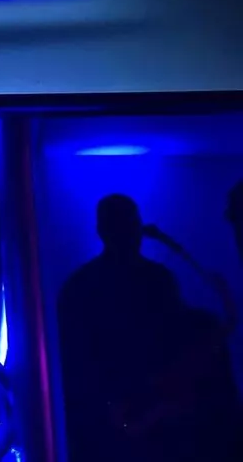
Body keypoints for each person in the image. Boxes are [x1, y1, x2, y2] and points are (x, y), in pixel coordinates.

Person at [58, 194, 184, 462]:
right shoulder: (157, 280)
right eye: (125, 224)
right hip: (120, 425)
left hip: (130, 423)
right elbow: (75, 361)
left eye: (132, 224)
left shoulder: (80, 285)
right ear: (104, 231)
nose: (133, 232)